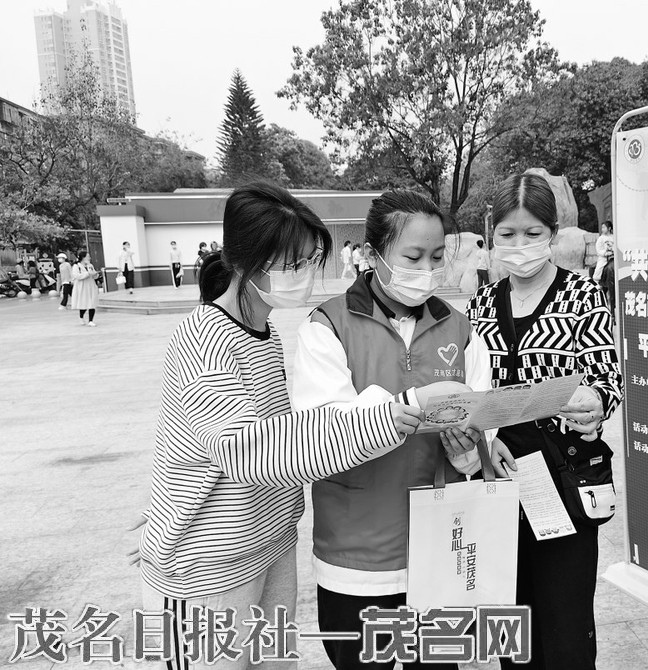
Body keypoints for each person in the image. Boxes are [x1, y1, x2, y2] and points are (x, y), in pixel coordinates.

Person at [137, 182, 426, 670]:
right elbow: (247, 450)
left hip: (267, 545)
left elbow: (281, 431)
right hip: (207, 567)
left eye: (310, 260)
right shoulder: (203, 338)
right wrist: (383, 419)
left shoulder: (263, 333)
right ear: (244, 263)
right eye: (291, 264)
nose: (305, 274)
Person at [291, 189, 497, 670]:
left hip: (441, 550)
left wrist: (469, 450)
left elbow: (482, 424)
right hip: (357, 558)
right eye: (412, 256)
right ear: (372, 254)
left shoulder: (460, 330)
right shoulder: (327, 327)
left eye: (437, 257)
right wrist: (401, 409)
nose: (427, 269)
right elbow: (321, 436)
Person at [465, 173, 623, 670]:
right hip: (498, 474)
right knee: (512, 614)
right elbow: (467, 386)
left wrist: (596, 401)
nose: (519, 245)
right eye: (507, 234)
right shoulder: (480, 304)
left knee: (564, 618)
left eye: (532, 233)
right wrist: (481, 438)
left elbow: (607, 376)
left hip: (563, 474)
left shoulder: (582, 295)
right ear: (492, 236)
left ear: (552, 234)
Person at [71, 251, 100, 326]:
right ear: (83, 257)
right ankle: (81, 317)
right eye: (88, 256)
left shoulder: (90, 265)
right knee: (83, 302)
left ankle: (91, 320)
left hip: (91, 285)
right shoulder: (76, 266)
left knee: (92, 303)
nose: (89, 258)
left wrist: (95, 274)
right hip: (82, 287)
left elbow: (94, 275)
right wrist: (88, 273)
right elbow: (77, 276)